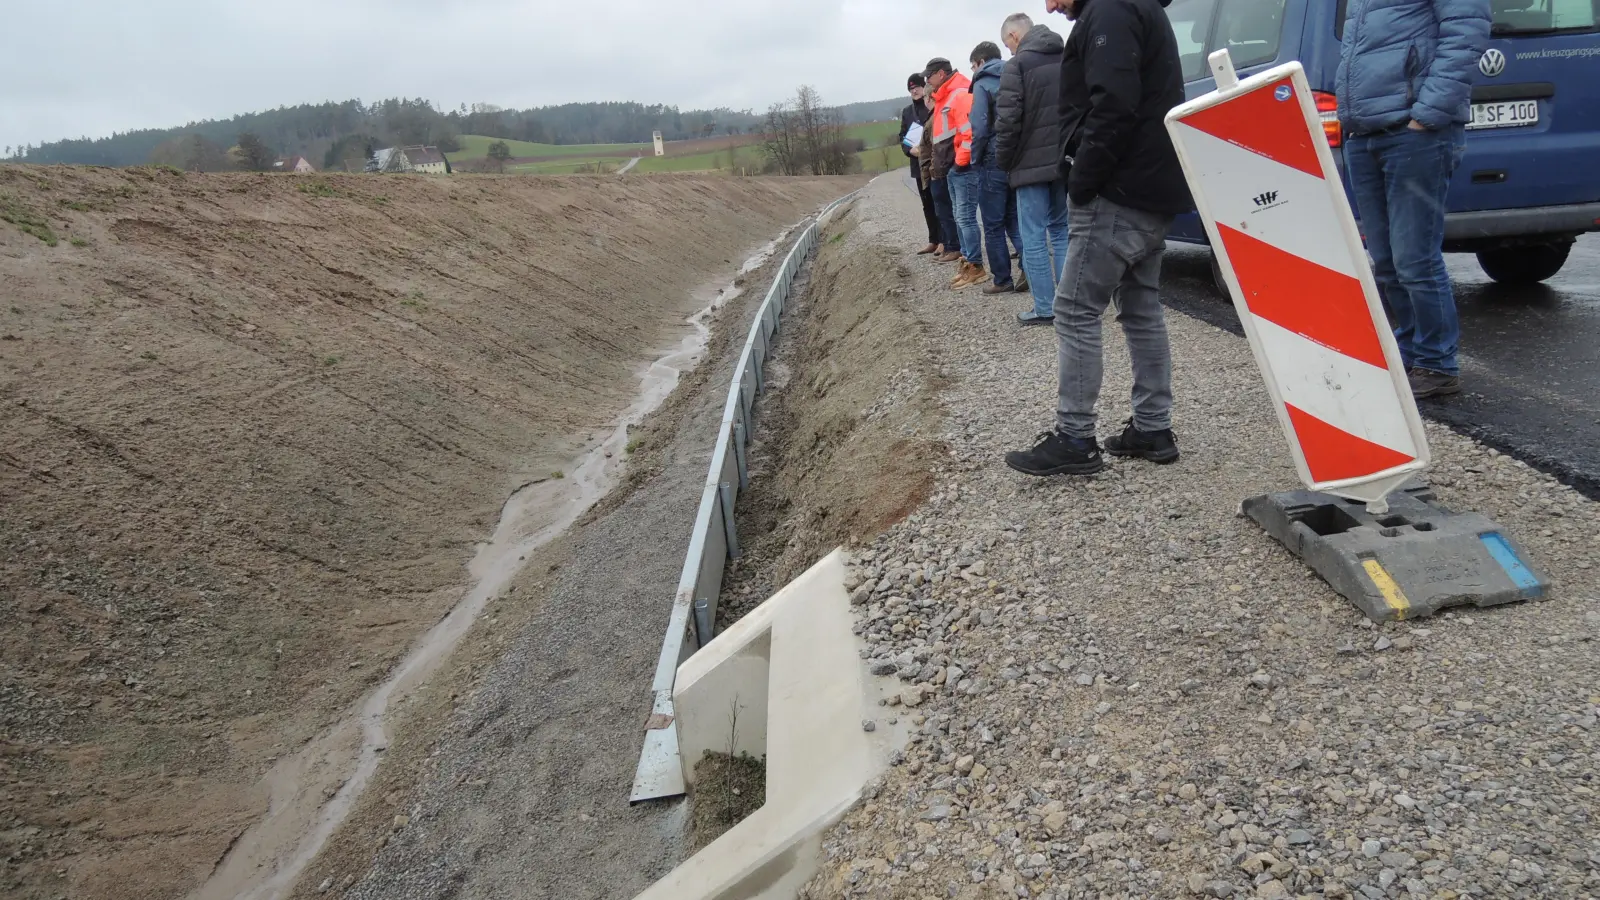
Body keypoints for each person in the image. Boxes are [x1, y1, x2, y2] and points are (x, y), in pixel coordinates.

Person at [1004, 0, 1194, 477]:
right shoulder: (1135, 7)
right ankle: (1153, 428)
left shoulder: (1110, 10)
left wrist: (1083, 179)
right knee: (1141, 307)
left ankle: (1075, 438)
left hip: (1118, 190)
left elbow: (1113, 105)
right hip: (1152, 186)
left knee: (1073, 308)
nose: (1050, 6)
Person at [1339, 0, 1489, 398]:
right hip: (1366, 133)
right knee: (1387, 262)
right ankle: (1409, 357)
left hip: (1415, 132)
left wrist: (1428, 113)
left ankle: (1437, 363)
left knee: (1414, 259)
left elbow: (1466, 35)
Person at [995, 12, 1070, 326]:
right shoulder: (1066, 57)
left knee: (1034, 236)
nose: (1010, 51)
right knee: (1062, 231)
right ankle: (1071, 304)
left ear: (1014, 37)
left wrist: (1004, 161)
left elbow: (1008, 121)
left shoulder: (1017, 65)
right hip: (1063, 160)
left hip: (1029, 165)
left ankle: (1045, 307)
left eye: (1008, 45)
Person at [967, 41, 1027, 296]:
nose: (972, 70)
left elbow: (980, 128)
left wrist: (975, 158)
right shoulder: (1017, 74)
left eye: (972, 65)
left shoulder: (982, 83)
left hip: (991, 159)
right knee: (1015, 218)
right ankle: (1031, 269)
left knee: (993, 225)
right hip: (1017, 157)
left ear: (980, 62)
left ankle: (1002, 279)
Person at [924, 58, 985, 289]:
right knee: (960, 217)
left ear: (940, 74)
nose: (927, 81)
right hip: (951, 166)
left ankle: (976, 266)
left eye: (929, 76)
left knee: (966, 217)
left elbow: (968, 131)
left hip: (961, 166)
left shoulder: (958, 91)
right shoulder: (945, 94)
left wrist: (960, 162)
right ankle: (968, 261)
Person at [900, 73, 944, 256]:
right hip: (917, 164)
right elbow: (903, 137)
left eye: (917, 87)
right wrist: (909, 150)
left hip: (933, 162)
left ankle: (944, 239)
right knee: (927, 203)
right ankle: (933, 240)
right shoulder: (907, 112)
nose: (914, 91)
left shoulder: (931, 105)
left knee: (939, 201)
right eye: (911, 89)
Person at [918, 97, 961, 265]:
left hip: (938, 171)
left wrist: (934, 169)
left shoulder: (936, 117)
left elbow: (936, 147)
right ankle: (950, 245)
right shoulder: (933, 116)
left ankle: (952, 246)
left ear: (929, 98)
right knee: (943, 211)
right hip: (936, 169)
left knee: (947, 212)